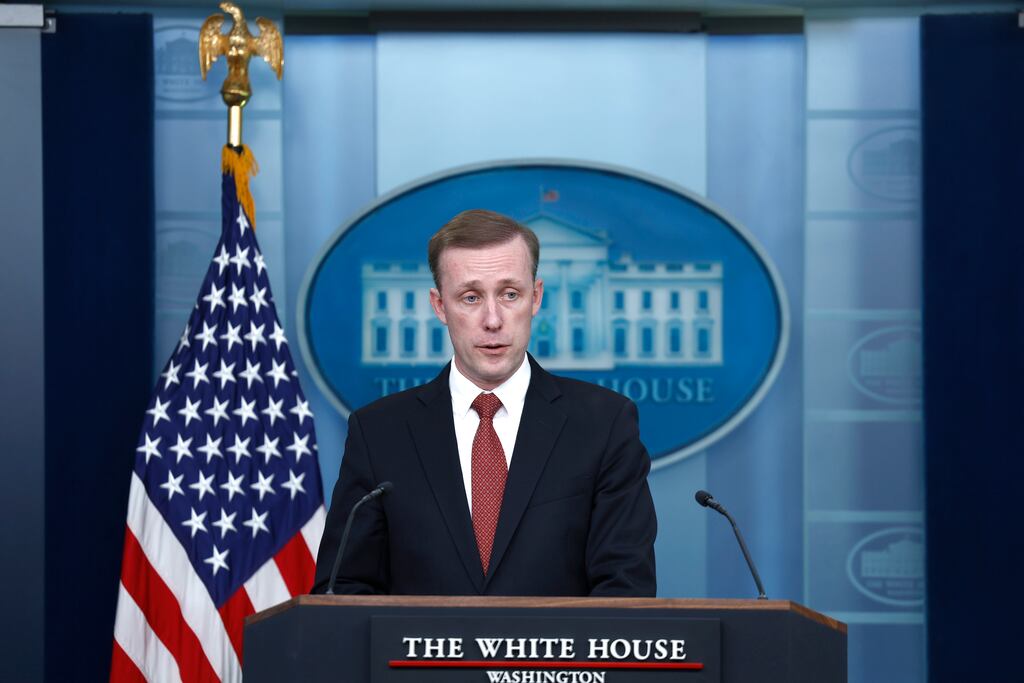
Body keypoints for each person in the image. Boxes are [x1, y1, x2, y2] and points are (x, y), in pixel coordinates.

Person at [312, 209, 657, 596]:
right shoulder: (379, 433)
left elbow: (625, 591)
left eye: (510, 294)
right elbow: (343, 590)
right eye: (471, 297)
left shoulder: (604, 424)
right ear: (440, 306)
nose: (493, 320)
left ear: (536, 297)